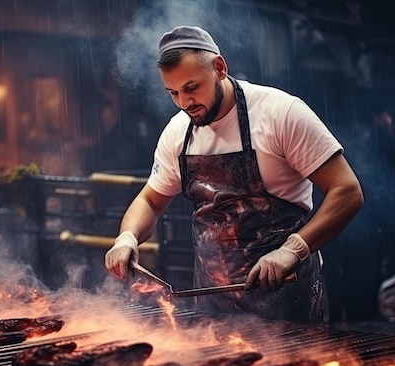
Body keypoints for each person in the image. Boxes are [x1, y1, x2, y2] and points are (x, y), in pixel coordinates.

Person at [104, 26, 364, 324]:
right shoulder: (178, 131)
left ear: (219, 68)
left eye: (191, 87)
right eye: (173, 93)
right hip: (210, 301)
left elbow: (347, 191)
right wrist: (127, 237)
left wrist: (293, 250)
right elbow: (150, 201)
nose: (184, 102)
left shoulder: (281, 113)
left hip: (286, 298)